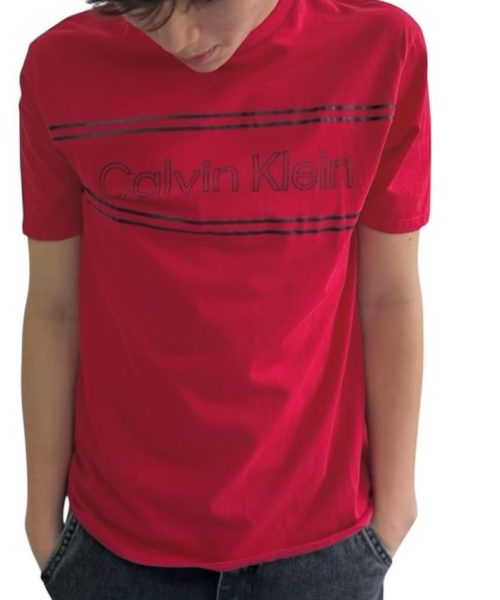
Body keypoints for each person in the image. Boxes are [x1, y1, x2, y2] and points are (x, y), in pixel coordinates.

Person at [19, 0, 431, 598]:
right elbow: (55, 308)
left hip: (324, 549)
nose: (178, 35)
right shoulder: (60, 68)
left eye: (203, 1)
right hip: (114, 550)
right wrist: (41, 521)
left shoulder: (381, 53)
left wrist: (394, 510)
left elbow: (389, 297)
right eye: (143, 7)